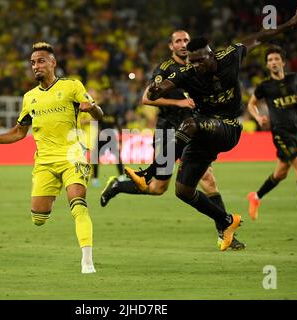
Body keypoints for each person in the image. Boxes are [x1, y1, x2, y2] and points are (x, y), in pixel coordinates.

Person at [147, 6, 297, 251]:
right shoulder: (188, 72)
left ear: (212, 54)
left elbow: (260, 37)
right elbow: (159, 89)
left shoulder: (230, 55)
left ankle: (151, 170)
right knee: (183, 191)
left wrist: (288, 25)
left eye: (201, 60)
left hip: (228, 127)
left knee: (189, 123)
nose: (197, 65)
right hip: (202, 131)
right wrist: (156, 88)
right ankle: (226, 221)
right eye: (193, 62)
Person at [100, 30, 245, 250]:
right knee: (159, 188)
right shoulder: (166, 69)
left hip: (195, 127)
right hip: (168, 129)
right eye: (178, 41)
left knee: (208, 179)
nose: (183, 44)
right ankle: (120, 184)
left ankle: (225, 231)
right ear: (171, 46)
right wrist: (179, 104)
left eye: (186, 40)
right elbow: (146, 99)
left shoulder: (198, 65)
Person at [0, 42, 104, 273]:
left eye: (41, 61)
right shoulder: (29, 97)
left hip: (72, 156)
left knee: (78, 204)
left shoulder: (72, 86)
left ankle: (87, 260)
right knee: (38, 218)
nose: (36, 66)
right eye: (33, 63)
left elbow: (99, 113)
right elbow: (19, 131)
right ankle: (53, 189)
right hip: (44, 161)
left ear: (53, 63)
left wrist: (91, 108)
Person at [246, 45, 297, 225]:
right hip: (280, 133)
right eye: (270, 60)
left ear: (283, 61)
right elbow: (251, 104)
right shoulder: (264, 86)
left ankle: (255, 196)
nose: (273, 63)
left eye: (276, 59)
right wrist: (258, 117)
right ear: (267, 65)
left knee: (280, 174)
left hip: (295, 131)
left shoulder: (294, 79)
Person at [90, 88, 126, 187]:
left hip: (111, 135)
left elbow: (118, 123)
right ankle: (95, 178)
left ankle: (122, 176)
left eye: (109, 94)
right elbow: (95, 122)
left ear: (111, 95)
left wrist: (120, 138)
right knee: (95, 157)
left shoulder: (116, 108)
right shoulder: (99, 107)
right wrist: (98, 133)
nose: (107, 96)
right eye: (105, 94)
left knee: (117, 156)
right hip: (101, 135)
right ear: (102, 95)